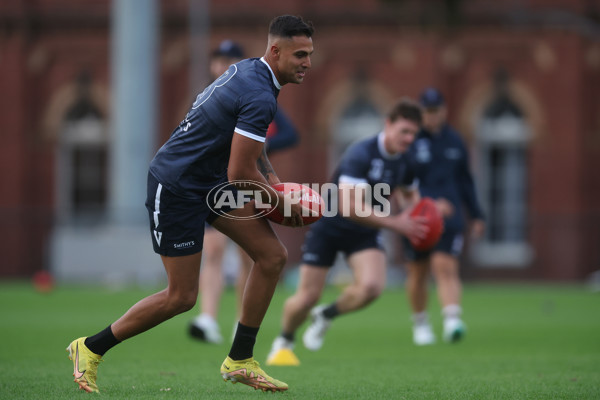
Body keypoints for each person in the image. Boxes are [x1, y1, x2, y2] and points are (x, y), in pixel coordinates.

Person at [66, 15, 314, 393]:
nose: (307, 63)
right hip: (177, 185)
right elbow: (239, 171)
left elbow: (252, 150)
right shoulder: (260, 92)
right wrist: (280, 201)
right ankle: (90, 348)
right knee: (181, 297)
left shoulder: (254, 73)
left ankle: (240, 359)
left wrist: (277, 184)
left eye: (310, 54)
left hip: (208, 181)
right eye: (300, 54)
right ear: (275, 50)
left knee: (272, 256)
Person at [267, 98, 429, 365]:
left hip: (365, 231)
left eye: (414, 133)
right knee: (307, 296)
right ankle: (284, 340)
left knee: (372, 287)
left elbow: (411, 196)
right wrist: (396, 223)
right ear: (388, 125)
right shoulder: (361, 153)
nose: (409, 138)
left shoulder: (407, 161)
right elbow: (348, 206)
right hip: (330, 226)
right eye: (404, 131)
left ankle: (326, 315)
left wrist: (420, 220)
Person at [189, 40, 299, 345]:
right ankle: (207, 318)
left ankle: (242, 320)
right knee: (212, 250)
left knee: (248, 256)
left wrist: (252, 146)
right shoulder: (208, 96)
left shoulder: (255, 94)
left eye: (230, 58)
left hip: (244, 181)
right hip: (211, 183)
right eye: (218, 58)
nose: (223, 64)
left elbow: (291, 133)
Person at [404, 87, 485, 345]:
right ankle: (420, 323)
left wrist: (477, 214)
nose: (431, 116)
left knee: (446, 266)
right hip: (417, 218)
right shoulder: (411, 141)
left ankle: (452, 320)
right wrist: (428, 204)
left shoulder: (456, 141)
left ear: (444, 111)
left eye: (435, 111)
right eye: (427, 111)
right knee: (418, 272)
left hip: (450, 218)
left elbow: (466, 181)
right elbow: (403, 182)